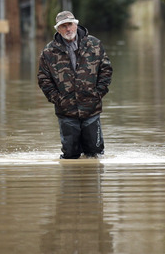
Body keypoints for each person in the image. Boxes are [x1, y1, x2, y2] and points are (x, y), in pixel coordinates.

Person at [37, 10, 113, 159]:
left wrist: (97, 94)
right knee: (70, 155)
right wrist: (58, 99)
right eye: (63, 26)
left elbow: (106, 70)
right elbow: (43, 79)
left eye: (70, 25)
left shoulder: (95, 44)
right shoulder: (48, 52)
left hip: (91, 108)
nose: (68, 29)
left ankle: (93, 180)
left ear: (76, 25)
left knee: (96, 154)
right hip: (66, 111)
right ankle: (71, 181)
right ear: (58, 29)